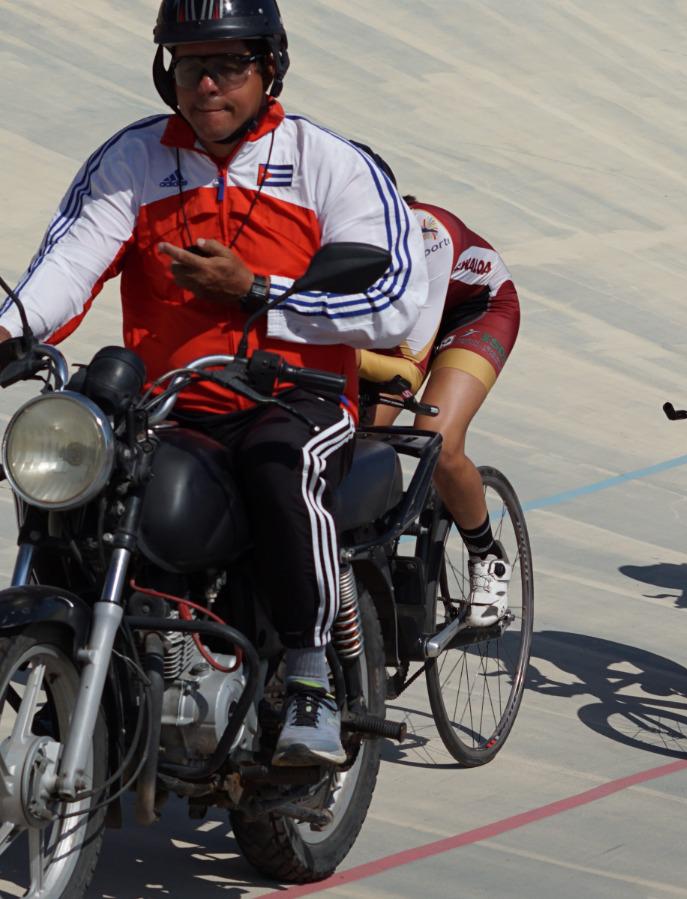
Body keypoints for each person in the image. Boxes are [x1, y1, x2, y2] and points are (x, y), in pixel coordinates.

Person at [0, 0, 427, 766]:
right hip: (172, 407)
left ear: (271, 67)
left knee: (279, 463)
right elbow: (67, 263)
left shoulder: (328, 162)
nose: (206, 84)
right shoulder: (135, 158)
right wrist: (9, 332)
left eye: (229, 64)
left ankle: (310, 678)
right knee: (80, 471)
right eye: (190, 63)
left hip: (296, 397)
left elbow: (395, 299)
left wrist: (260, 292)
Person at [352, 146, 520, 628]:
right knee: (353, 436)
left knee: (436, 440)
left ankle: (487, 556)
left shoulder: (427, 236)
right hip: (402, 324)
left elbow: (407, 370)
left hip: (474, 313)